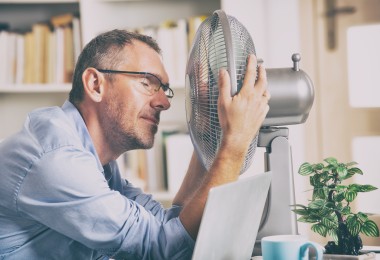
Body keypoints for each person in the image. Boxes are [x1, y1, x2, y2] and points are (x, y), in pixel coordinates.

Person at [0, 29, 270, 259]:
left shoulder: (99, 164)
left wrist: (208, 134)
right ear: (95, 84)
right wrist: (234, 142)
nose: (164, 102)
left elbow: (169, 227)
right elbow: (164, 249)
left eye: (165, 89)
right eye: (147, 83)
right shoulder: (57, 160)